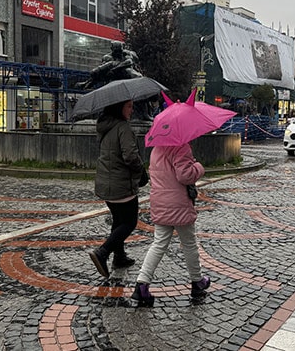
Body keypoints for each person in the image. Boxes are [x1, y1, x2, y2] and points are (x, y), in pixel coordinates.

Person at [131, 141, 209, 307]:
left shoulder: (156, 149)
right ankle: (197, 281)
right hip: (179, 203)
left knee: (158, 243)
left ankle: (142, 284)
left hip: (160, 202)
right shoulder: (181, 147)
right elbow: (185, 175)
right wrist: (198, 167)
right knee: (189, 243)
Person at [89, 100, 148, 278]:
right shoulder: (123, 127)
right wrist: (142, 171)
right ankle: (103, 252)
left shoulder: (106, 127)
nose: (132, 110)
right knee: (129, 223)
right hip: (122, 185)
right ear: (119, 107)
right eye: (128, 106)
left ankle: (119, 256)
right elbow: (130, 155)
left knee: (118, 220)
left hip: (106, 185)